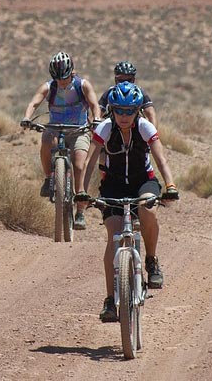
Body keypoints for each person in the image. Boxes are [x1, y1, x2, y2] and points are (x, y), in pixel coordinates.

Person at [77, 81, 178, 322]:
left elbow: (160, 158)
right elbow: (90, 162)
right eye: (119, 110)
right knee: (113, 238)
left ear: (137, 110)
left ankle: (151, 261)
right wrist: (81, 191)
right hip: (112, 184)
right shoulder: (104, 128)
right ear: (112, 110)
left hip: (143, 181)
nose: (124, 116)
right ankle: (111, 300)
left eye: (129, 110)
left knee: (148, 209)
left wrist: (171, 185)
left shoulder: (144, 127)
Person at [20, 51, 102, 231]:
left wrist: (96, 119)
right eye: (58, 78)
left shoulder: (82, 85)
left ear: (71, 71)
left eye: (64, 78)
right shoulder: (50, 87)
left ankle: (80, 210)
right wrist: (27, 117)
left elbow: (95, 105)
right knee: (46, 140)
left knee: (79, 165)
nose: (61, 82)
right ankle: (49, 178)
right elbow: (34, 103)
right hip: (56, 127)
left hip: (79, 130)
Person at [98, 61, 157, 125]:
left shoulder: (139, 93)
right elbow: (97, 113)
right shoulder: (110, 92)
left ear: (133, 80)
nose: (125, 83)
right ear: (115, 80)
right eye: (121, 80)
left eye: (129, 80)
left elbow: (151, 114)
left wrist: (153, 131)